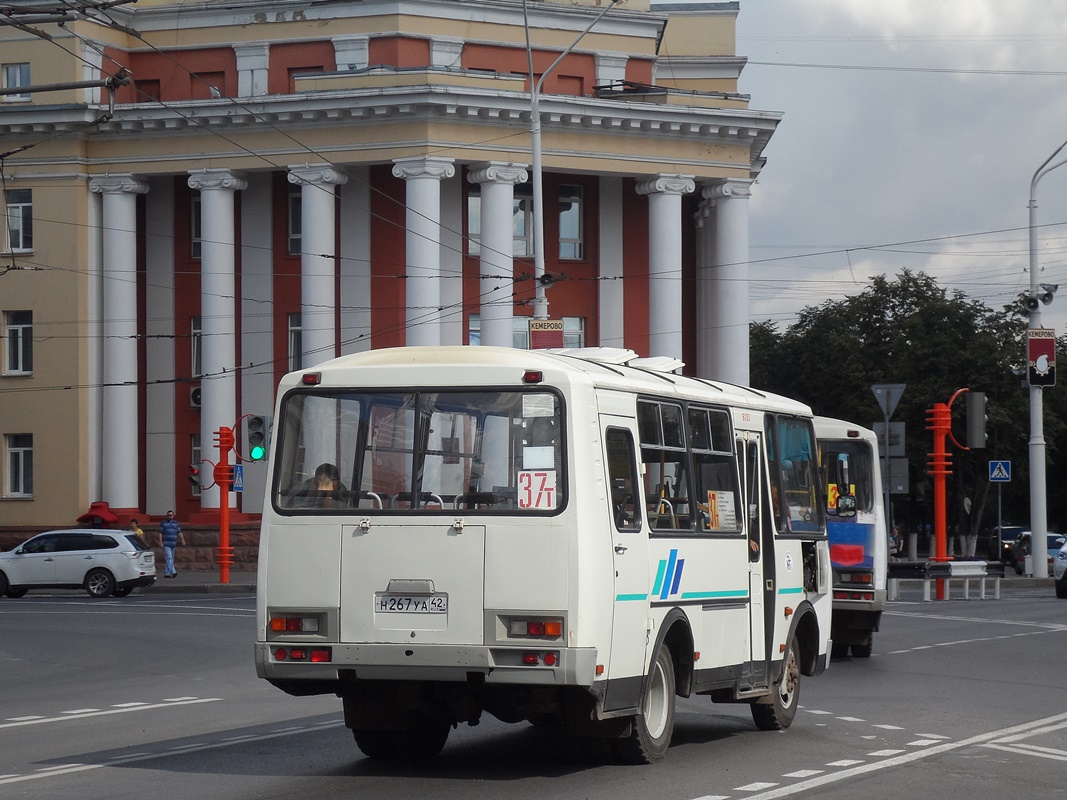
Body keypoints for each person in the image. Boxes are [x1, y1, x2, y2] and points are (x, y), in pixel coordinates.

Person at [157, 510, 185, 578]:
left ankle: (166, 573)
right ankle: (173, 572)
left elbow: (179, 532)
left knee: (170, 558)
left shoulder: (175, 523)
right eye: (168, 515)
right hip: (166, 543)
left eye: (171, 515)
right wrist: (160, 542)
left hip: (173, 544)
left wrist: (182, 540)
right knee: (169, 558)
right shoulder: (163, 523)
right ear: (167, 516)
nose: (170, 516)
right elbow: (160, 533)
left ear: (173, 516)